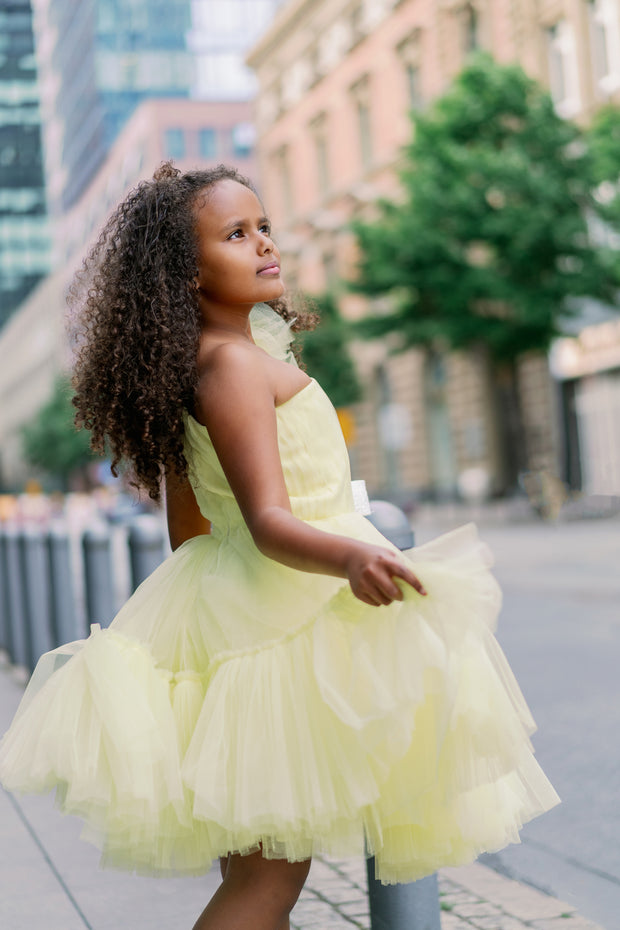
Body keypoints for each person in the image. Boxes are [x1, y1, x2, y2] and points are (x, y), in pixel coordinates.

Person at [0, 163, 559, 930]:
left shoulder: (207, 359)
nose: (264, 243)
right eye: (235, 235)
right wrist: (351, 555)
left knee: (263, 870)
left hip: (242, 618)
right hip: (282, 621)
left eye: (263, 225)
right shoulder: (231, 366)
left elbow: (191, 529)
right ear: (185, 272)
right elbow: (266, 519)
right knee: (267, 881)